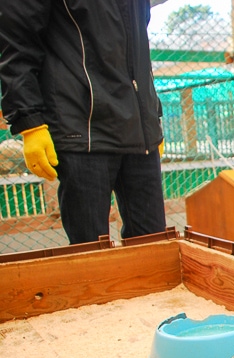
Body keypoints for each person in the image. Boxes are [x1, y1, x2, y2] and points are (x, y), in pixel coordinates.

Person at [0, 0, 167, 245]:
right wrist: (29, 122)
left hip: (139, 132)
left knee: (154, 245)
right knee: (90, 252)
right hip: (82, 127)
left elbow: (136, 50)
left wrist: (151, 119)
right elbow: (16, 44)